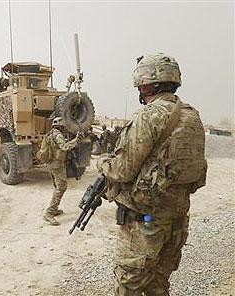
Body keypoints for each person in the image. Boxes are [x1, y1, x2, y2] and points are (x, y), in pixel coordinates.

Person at [97, 53, 207, 295]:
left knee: (129, 286)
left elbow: (122, 170)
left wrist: (103, 163)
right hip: (176, 222)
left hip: (145, 224)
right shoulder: (192, 116)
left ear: (148, 84)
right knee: (158, 284)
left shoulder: (150, 115)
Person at [43, 117, 81, 226]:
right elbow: (64, 147)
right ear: (61, 126)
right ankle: (49, 213)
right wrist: (76, 140)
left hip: (51, 163)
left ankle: (54, 209)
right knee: (61, 187)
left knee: (57, 187)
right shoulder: (58, 135)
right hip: (57, 165)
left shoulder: (51, 133)